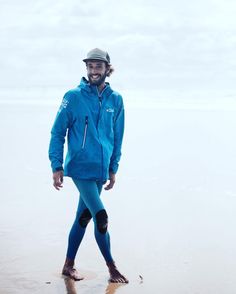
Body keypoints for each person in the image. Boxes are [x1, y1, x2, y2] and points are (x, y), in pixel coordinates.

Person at [48, 48, 128, 283]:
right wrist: (56, 165)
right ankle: (112, 268)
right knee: (100, 217)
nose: (93, 71)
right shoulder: (73, 97)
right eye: (90, 66)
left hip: (100, 170)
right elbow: (57, 132)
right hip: (80, 167)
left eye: (98, 66)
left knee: (83, 217)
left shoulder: (116, 100)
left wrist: (113, 168)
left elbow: (117, 136)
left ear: (107, 69)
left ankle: (68, 265)